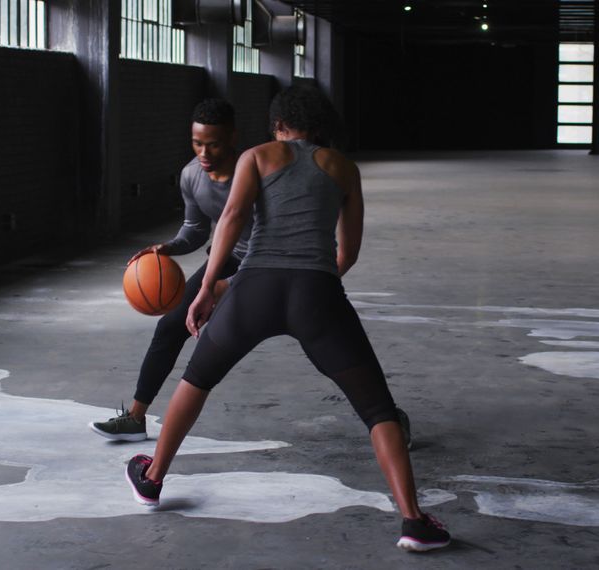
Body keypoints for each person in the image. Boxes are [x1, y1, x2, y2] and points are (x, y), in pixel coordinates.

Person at [123, 86, 450, 552]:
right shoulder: (344, 168)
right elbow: (348, 252)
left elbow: (233, 218)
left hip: (253, 288)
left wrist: (210, 289)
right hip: (316, 294)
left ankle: (152, 478)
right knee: (378, 409)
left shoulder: (256, 156)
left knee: (197, 378)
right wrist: (316, 280)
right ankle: (414, 521)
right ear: (320, 126)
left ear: (278, 124)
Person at [89, 99, 249, 442]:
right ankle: (135, 417)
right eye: (197, 142)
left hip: (268, 261)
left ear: (233, 138)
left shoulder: (255, 174)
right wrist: (168, 248)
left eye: (214, 143)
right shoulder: (192, 175)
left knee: (314, 335)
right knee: (170, 327)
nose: (203, 152)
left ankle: (381, 413)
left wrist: (228, 286)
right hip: (227, 257)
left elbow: (272, 235)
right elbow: (195, 230)